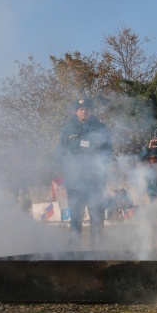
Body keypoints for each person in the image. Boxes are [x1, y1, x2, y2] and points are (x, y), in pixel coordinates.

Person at [56, 97, 113, 249]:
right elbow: (60, 152)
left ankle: (97, 249)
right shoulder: (68, 129)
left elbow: (108, 151)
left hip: (95, 180)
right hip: (75, 181)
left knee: (97, 215)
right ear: (76, 111)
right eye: (81, 109)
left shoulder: (100, 128)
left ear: (91, 111)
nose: (84, 112)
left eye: (87, 109)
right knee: (76, 216)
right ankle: (74, 250)